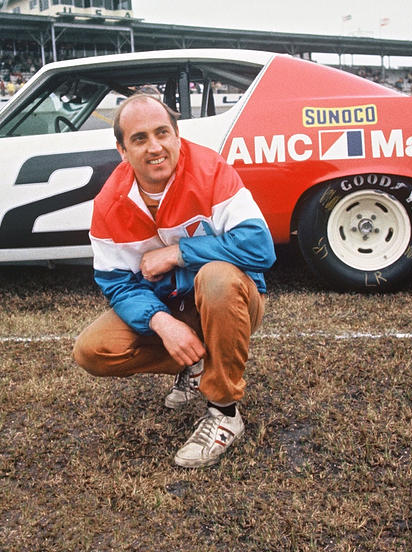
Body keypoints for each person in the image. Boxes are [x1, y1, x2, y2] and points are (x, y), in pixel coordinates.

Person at [73, 93, 276, 468]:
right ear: (121, 149)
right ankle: (194, 364)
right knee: (92, 349)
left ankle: (224, 413)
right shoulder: (108, 204)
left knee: (216, 278)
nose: (155, 147)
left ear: (177, 135)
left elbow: (260, 247)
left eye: (162, 133)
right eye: (140, 139)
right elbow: (116, 283)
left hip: (232, 300)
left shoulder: (210, 171)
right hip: (170, 305)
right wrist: (161, 322)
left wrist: (180, 253)